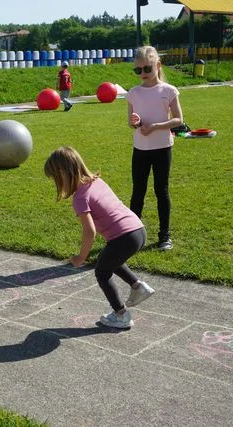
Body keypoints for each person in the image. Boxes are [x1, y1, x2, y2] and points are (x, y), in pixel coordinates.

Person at [44, 146, 154, 329]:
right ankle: (138, 286)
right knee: (110, 259)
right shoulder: (97, 182)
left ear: (63, 173)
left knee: (102, 272)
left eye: (55, 178)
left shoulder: (80, 198)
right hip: (138, 230)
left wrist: (81, 256)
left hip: (124, 237)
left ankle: (121, 315)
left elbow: (90, 231)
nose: (57, 183)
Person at [126, 46, 183, 251]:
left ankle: (164, 235)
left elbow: (179, 120)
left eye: (147, 69)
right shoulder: (133, 93)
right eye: (138, 70)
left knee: (161, 191)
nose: (143, 74)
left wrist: (157, 127)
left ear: (158, 66)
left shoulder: (168, 91)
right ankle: (131, 235)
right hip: (140, 148)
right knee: (138, 191)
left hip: (162, 148)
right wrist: (136, 122)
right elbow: (131, 122)